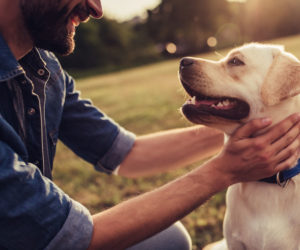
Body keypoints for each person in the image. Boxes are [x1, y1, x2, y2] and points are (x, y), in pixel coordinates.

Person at [1, 0, 300, 249]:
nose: (96, 8)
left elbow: (127, 152)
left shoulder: (45, 70)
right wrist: (223, 170)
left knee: (169, 240)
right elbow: (67, 237)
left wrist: (257, 128)